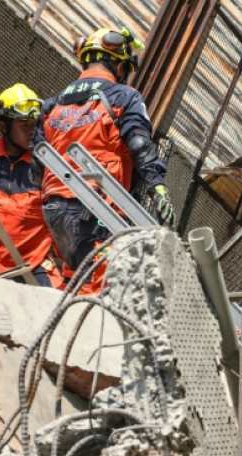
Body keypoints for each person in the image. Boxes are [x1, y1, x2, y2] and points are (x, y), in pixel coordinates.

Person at [34, 27, 175, 294]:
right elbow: (139, 144)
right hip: (98, 207)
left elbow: (36, 166)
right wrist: (157, 187)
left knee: (74, 278)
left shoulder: (52, 105)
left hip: (55, 209)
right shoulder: (124, 96)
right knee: (98, 287)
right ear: (118, 64)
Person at [0, 83, 62, 287]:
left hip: (30, 266)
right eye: (24, 125)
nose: (31, 131)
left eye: (34, 124)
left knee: (58, 301)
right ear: (3, 126)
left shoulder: (48, 166)